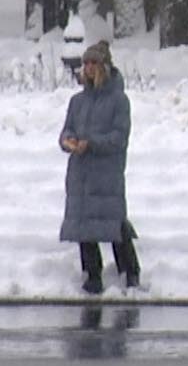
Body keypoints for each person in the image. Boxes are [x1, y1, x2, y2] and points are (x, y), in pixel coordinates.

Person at [58, 40, 140, 294]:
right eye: (86, 63)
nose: (89, 68)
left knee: (114, 221)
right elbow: (67, 129)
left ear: (104, 66)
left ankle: (130, 271)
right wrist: (68, 141)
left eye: (94, 63)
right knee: (84, 224)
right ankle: (92, 274)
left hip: (106, 172)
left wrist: (91, 144)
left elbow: (119, 137)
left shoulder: (119, 101)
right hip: (81, 173)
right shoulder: (77, 102)